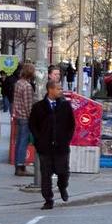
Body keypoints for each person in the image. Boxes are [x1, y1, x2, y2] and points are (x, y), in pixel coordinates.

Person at [29, 80, 75, 209]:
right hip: (45, 147)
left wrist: (66, 139)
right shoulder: (39, 107)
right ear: (50, 90)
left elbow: (71, 125)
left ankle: (62, 187)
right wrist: (38, 140)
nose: (61, 91)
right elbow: (33, 125)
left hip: (61, 146)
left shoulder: (65, 106)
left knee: (63, 172)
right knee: (46, 175)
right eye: (58, 89)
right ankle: (48, 199)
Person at [12, 63, 37, 176]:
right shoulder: (27, 86)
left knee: (19, 141)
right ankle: (21, 166)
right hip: (24, 116)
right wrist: (32, 118)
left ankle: (18, 164)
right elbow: (28, 105)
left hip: (18, 115)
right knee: (23, 141)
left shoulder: (18, 83)